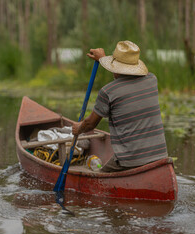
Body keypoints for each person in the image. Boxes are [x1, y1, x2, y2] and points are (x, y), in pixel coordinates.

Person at [72, 40, 168, 172]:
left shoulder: (107, 92)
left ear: (115, 67)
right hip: (160, 156)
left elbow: (90, 124)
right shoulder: (152, 80)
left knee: (100, 176)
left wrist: (79, 128)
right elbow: (124, 84)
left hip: (129, 161)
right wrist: (103, 59)